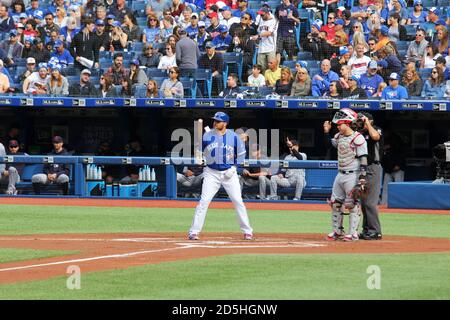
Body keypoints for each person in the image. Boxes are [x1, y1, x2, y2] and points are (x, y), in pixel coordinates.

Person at [188, 111, 253, 241]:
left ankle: (247, 231)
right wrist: (199, 158)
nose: (215, 123)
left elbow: (241, 155)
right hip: (211, 172)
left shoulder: (234, 137)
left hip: (229, 173)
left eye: (218, 121)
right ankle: (194, 231)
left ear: (225, 123)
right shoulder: (207, 135)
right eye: (214, 121)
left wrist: (234, 168)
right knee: (204, 201)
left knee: (238, 201)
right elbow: (199, 151)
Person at [323, 108, 368, 241]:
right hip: (340, 173)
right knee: (335, 203)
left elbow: (364, 159)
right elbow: (329, 145)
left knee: (351, 204)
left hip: (352, 175)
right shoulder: (339, 136)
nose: (337, 126)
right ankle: (337, 231)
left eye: (339, 124)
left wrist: (362, 178)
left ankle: (353, 233)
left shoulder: (358, 138)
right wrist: (326, 132)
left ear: (347, 123)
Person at [355, 112, 383, 240]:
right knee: (364, 201)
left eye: (362, 120)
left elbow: (375, 137)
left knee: (370, 202)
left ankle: (375, 231)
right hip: (362, 168)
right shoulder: (359, 133)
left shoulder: (376, 128)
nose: (360, 122)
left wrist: (367, 123)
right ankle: (367, 230)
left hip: (373, 167)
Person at [381, 130, 405, 205]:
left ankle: (398, 204)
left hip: (398, 168)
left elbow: (402, 154)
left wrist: (399, 164)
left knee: (398, 188)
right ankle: (384, 203)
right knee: (385, 188)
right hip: (388, 169)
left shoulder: (397, 142)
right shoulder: (382, 141)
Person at [250, 7, 276, 72]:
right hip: (261, 48)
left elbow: (269, 33)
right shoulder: (261, 21)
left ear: (267, 13)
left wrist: (258, 36)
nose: (261, 16)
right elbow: (259, 32)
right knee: (261, 69)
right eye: (260, 15)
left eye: (262, 15)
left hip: (271, 48)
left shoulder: (274, 21)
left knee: (271, 68)